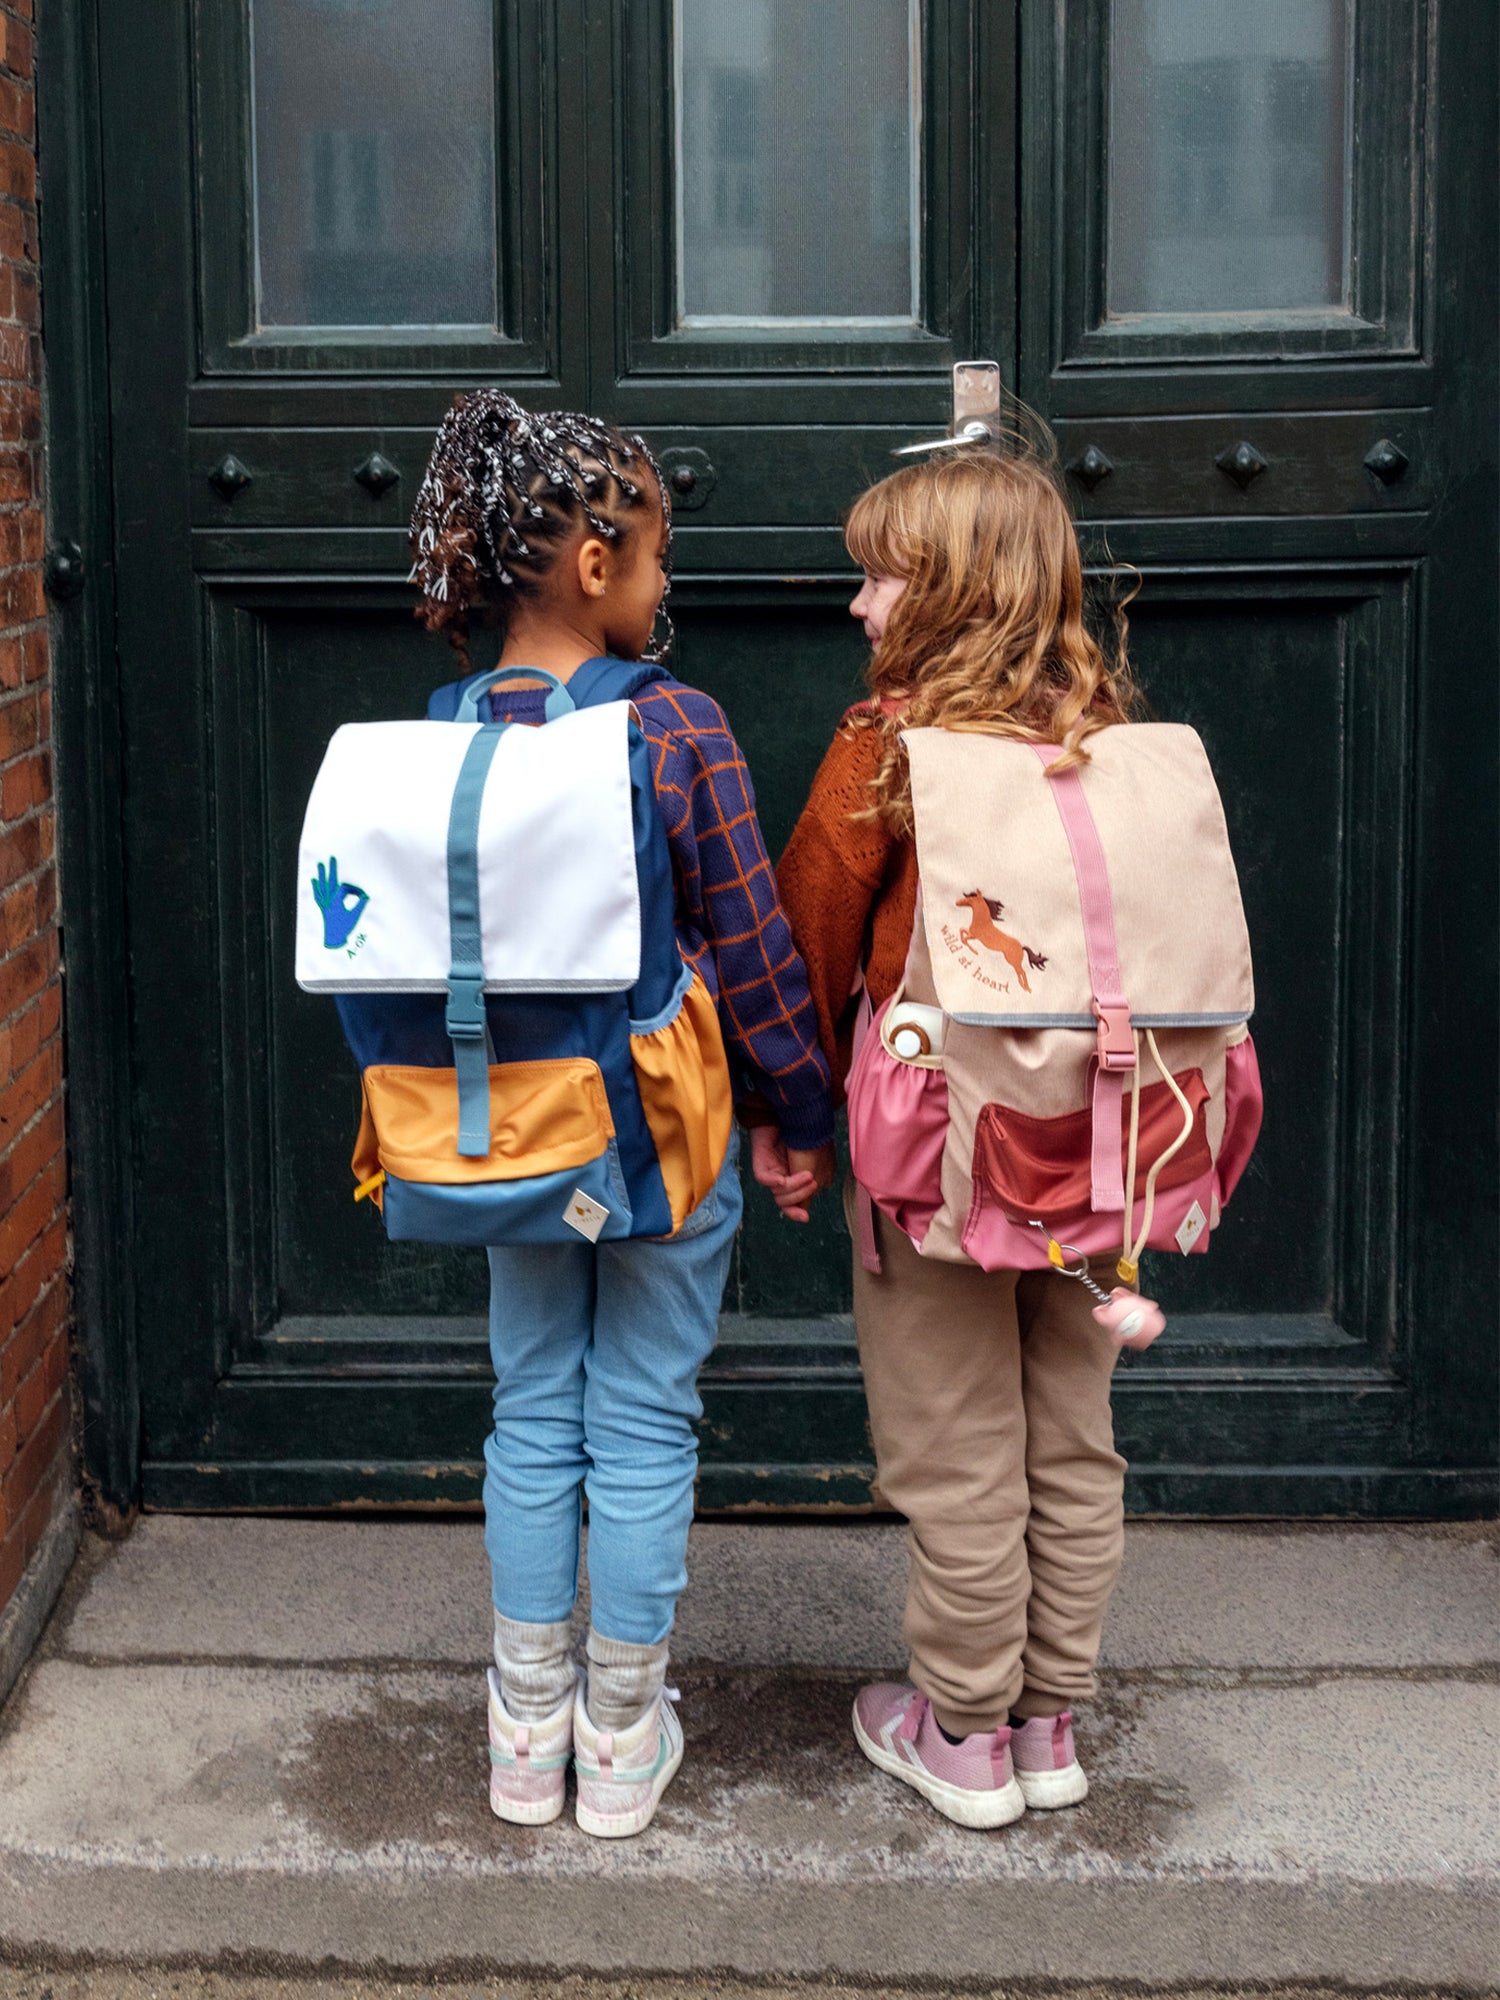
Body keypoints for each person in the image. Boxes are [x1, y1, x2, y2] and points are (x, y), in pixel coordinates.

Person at [409, 391, 835, 1837]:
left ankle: (524, 1731)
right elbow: (757, 946)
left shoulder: (445, 730)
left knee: (532, 1406)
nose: (664, 587)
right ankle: (621, 1730)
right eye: (656, 558)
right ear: (595, 566)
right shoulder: (674, 724)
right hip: (662, 1129)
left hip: (510, 1131)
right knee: (646, 1413)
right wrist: (796, 1110)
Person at [775, 433, 1144, 1831]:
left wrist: (795, 1121)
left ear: (949, 593)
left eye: (881, 579)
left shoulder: (889, 747)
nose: (859, 605)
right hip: (1093, 1144)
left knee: (957, 1448)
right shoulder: (1108, 744)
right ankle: (1051, 1721)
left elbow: (809, 940)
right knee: (1072, 1438)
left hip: (937, 1151)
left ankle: (965, 1730)